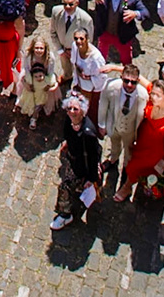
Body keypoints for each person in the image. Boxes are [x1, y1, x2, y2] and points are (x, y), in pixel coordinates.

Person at [119, 81, 164, 202]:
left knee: (134, 167)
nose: (153, 97)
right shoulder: (152, 101)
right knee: (133, 161)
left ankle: (126, 187)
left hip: (153, 150)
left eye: (157, 95)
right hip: (141, 140)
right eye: (152, 94)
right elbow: (139, 78)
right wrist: (115, 68)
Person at [51, 94, 103, 231]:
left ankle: (65, 214)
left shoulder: (88, 133)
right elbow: (67, 135)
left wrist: (91, 178)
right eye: (69, 108)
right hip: (73, 160)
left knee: (64, 187)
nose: (72, 112)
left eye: (75, 109)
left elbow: (93, 156)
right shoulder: (69, 121)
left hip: (83, 167)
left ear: (83, 111)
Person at [87, 0, 148, 66]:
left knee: (126, 61)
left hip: (123, 34)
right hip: (105, 32)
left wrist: (135, 13)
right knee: (100, 59)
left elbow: (145, 12)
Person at [98, 60, 147, 184]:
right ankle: (113, 159)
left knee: (129, 151)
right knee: (114, 144)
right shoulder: (111, 87)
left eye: (133, 82)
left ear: (137, 81)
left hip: (130, 131)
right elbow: (103, 105)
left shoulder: (143, 95)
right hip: (114, 126)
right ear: (121, 78)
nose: (129, 85)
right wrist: (102, 125)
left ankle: (126, 167)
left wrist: (138, 136)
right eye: (126, 81)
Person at [47, 0, 95, 88]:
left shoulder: (85, 19)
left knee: (81, 70)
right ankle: (67, 77)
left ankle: (80, 85)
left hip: (78, 51)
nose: (67, 7)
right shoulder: (56, 11)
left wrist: (78, 51)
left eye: (70, 4)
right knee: (66, 67)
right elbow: (53, 32)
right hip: (63, 49)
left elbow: (89, 39)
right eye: (65, 4)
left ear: (77, 3)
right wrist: (60, 49)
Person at [68, 28, 109, 123]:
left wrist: (89, 77)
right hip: (80, 83)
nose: (78, 41)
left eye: (81, 38)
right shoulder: (75, 46)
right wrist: (78, 73)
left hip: (92, 88)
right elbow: (74, 62)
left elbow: (102, 76)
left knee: (92, 109)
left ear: (87, 39)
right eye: (76, 38)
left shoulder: (96, 58)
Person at [19, 35, 61, 125]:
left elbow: (50, 73)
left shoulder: (50, 58)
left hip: (44, 79)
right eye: (36, 48)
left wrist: (48, 84)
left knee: (43, 94)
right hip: (30, 77)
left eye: (41, 48)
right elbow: (26, 69)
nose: (39, 51)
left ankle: (36, 113)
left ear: (45, 48)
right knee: (30, 91)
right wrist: (25, 83)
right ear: (33, 48)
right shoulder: (28, 56)